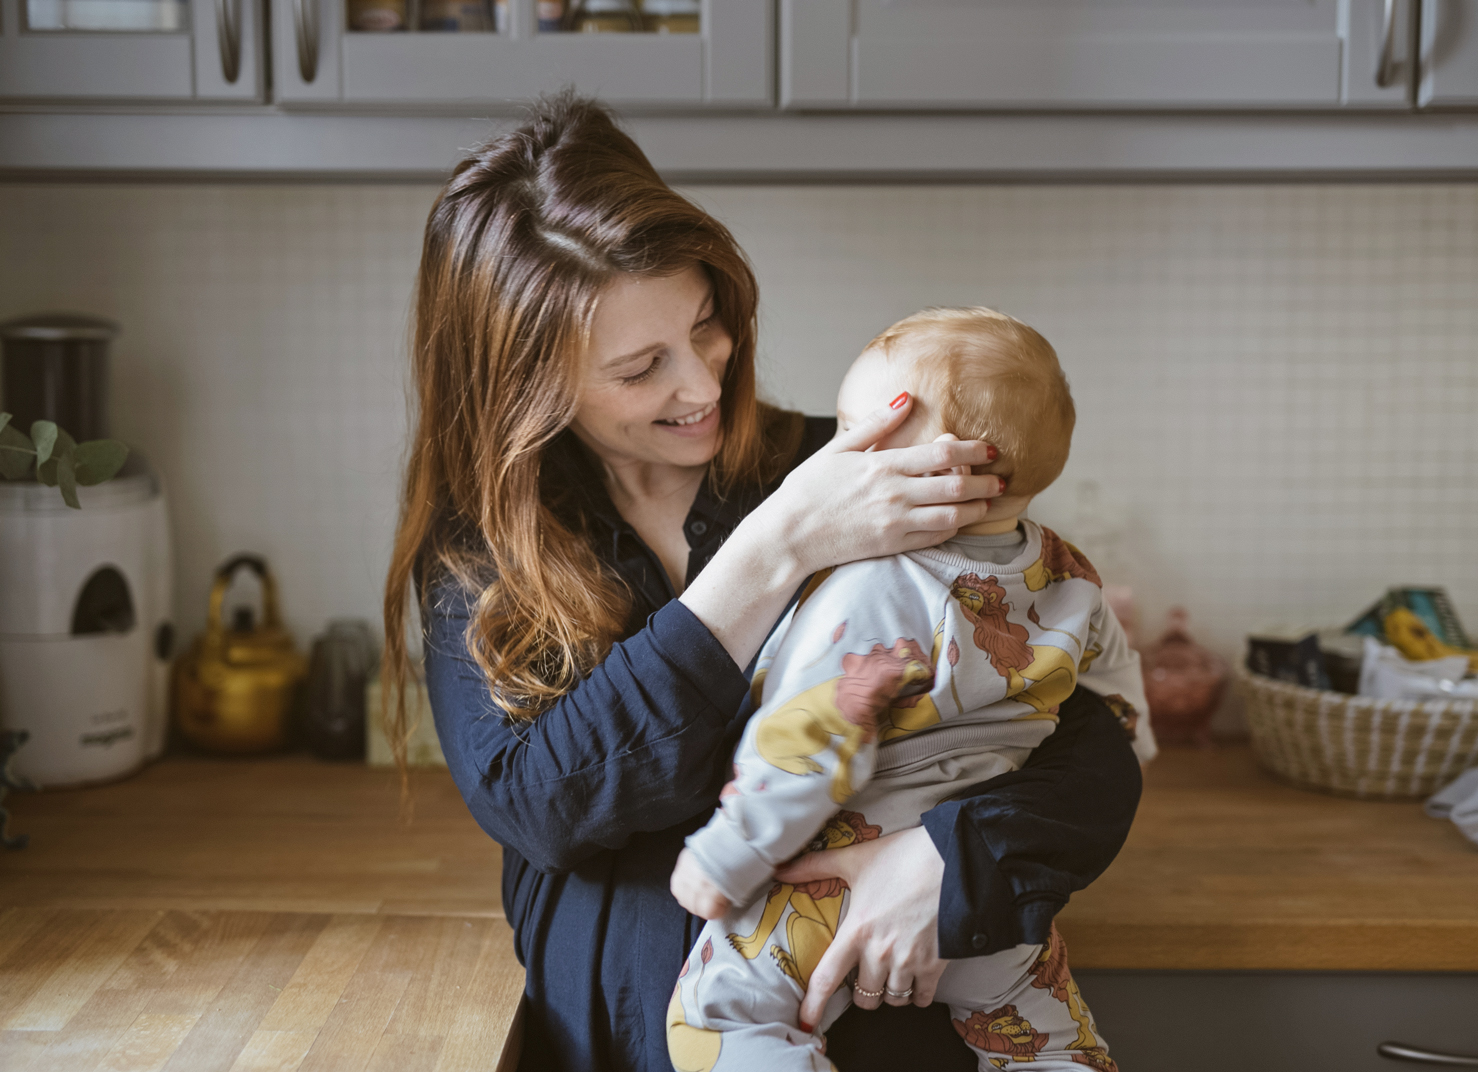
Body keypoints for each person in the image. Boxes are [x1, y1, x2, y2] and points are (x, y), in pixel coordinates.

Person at [381, 94, 1144, 1072]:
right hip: (616, 1042)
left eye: (705, 325)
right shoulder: (484, 551)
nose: (700, 385)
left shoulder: (860, 471)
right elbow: (541, 803)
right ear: (527, 383)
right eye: (639, 367)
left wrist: (950, 857)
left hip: (896, 1030)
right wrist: (773, 547)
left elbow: (1085, 740)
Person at [668, 307, 1155, 1072]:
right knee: (1054, 1043)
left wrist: (726, 858)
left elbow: (811, 735)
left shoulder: (876, 587)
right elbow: (1118, 701)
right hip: (987, 913)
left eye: (856, 432)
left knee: (718, 1022)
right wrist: (1133, 743)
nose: (838, 454)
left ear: (943, 468)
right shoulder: (1071, 575)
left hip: (829, 882)